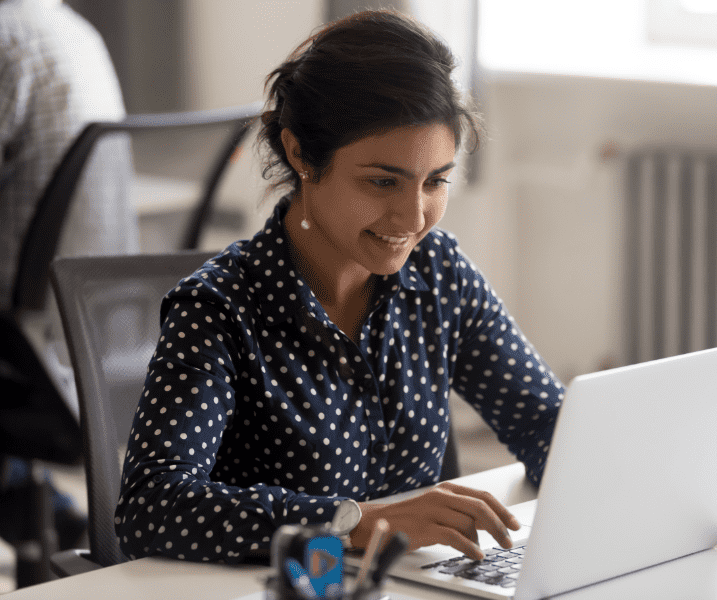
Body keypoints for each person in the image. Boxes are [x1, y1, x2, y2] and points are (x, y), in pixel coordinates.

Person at [116, 9, 563, 564]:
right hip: (286, 586)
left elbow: (545, 423)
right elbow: (151, 508)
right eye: (381, 181)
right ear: (302, 153)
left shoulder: (439, 273)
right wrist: (351, 523)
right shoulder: (219, 309)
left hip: (406, 583)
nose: (414, 215)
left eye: (436, 181)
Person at [0, 0, 138, 552]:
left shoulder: (8, 39)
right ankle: (48, 523)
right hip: (97, 342)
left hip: (26, 347)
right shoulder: (73, 29)